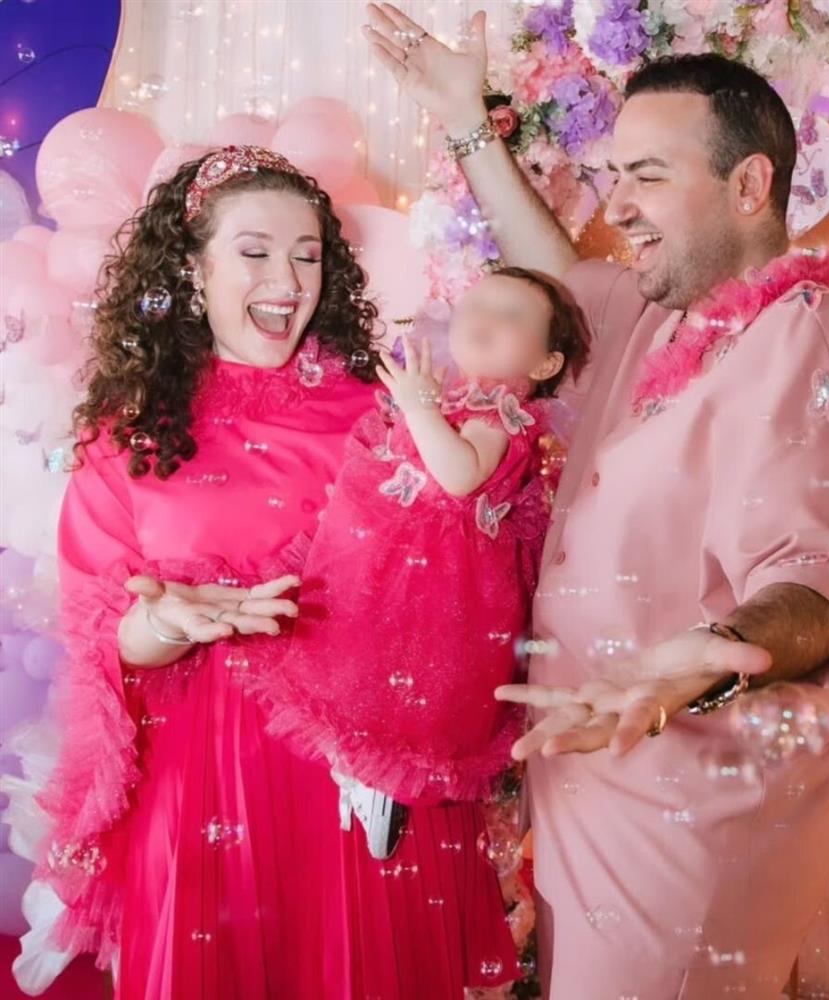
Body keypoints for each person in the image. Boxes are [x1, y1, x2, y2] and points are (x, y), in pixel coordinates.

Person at [364, 6, 829, 996]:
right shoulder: (653, 310)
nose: (619, 205)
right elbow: (555, 284)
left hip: (688, 828)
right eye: (616, 174)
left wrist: (705, 660)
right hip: (591, 789)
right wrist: (465, 122)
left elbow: (827, 572)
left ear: (749, 186)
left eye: (649, 177)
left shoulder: (806, 334)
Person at [22, 145, 521, 1000]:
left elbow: (455, 595)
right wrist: (168, 623)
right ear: (192, 267)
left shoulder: (386, 412)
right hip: (201, 780)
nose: (287, 280)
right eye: (254, 251)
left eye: (307, 255)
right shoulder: (127, 433)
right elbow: (107, 640)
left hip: (357, 780)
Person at [252, 267, 587, 859]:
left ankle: (381, 785)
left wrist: (418, 409)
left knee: (401, 688)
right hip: (383, 564)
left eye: (511, 316)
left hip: (436, 586)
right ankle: (355, 768)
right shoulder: (455, 399)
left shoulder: (500, 414)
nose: (485, 318)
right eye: (476, 304)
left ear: (544, 364)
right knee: (350, 662)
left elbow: (459, 476)